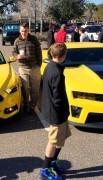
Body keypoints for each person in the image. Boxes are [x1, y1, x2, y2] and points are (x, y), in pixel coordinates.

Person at [40, 42, 71, 180]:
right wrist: (63, 112)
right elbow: (57, 97)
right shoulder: (57, 72)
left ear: (51, 54)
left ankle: (53, 163)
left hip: (55, 110)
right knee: (53, 141)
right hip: (57, 112)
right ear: (64, 56)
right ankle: (45, 170)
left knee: (61, 138)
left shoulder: (50, 66)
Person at [12, 23, 42, 114]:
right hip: (23, 68)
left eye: (25, 31)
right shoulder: (17, 41)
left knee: (35, 90)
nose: (23, 33)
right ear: (19, 31)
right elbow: (13, 52)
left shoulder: (34, 39)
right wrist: (17, 56)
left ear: (28, 30)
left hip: (34, 68)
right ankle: (25, 104)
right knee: (25, 88)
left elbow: (39, 53)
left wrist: (38, 66)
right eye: (22, 31)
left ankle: (32, 107)